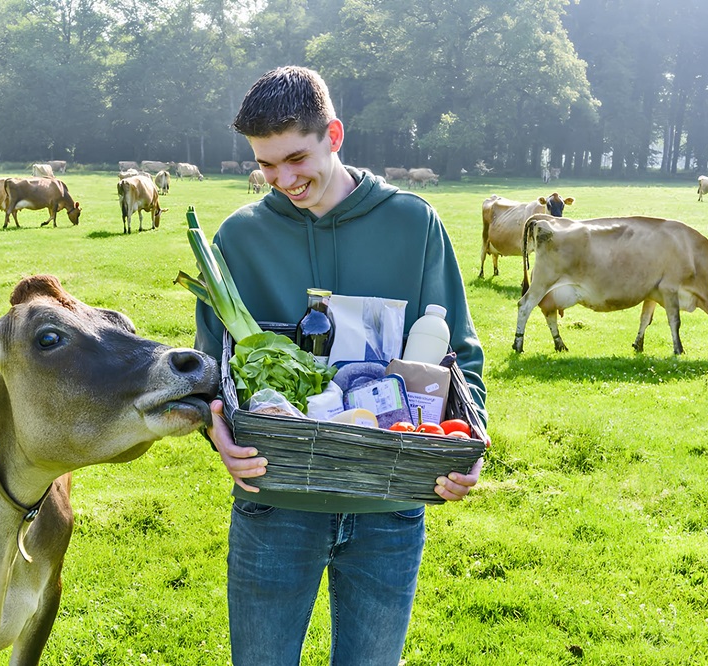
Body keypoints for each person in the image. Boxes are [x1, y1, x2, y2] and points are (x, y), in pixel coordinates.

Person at [194, 66, 487, 666]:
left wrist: (467, 449)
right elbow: (210, 369)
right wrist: (215, 431)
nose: (282, 180)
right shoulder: (239, 238)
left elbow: (462, 353)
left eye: (295, 158)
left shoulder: (413, 222)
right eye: (266, 165)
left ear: (334, 133)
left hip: (389, 505)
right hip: (275, 501)